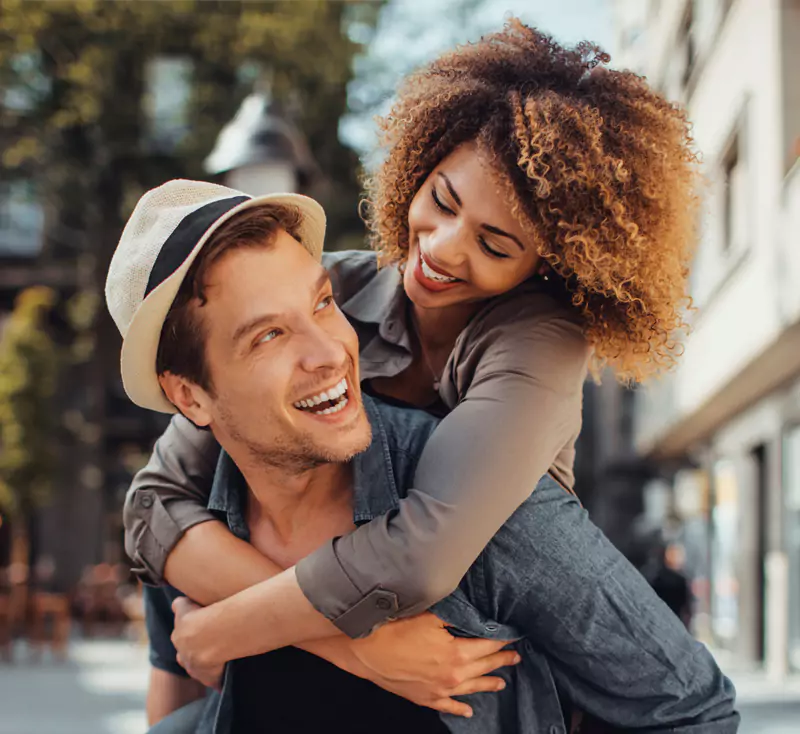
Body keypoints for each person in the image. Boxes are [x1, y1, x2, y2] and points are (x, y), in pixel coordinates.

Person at [122, 20, 700, 715]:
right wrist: (361, 652)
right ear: (420, 165)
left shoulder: (540, 343)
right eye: (444, 201)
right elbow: (155, 504)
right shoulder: (326, 292)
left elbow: (421, 558)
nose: (445, 250)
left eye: (494, 241)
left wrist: (227, 626)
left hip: (482, 673)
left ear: (545, 262)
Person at [105, 184, 738, 732]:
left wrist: (241, 628)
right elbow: (177, 691)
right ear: (189, 396)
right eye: (269, 334)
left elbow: (692, 709)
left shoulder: (496, 511)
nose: (327, 350)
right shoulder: (197, 523)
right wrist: (360, 645)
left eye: (323, 303)